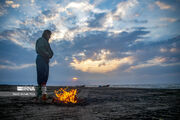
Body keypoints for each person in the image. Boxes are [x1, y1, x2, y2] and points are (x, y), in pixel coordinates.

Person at [35, 30, 53, 101]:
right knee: (41, 77)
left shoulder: (47, 42)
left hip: (45, 60)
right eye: (49, 35)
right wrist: (48, 54)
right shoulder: (41, 40)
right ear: (46, 34)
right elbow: (40, 49)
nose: (50, 36)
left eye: (50, 35)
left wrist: (49, 54)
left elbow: (51, 52)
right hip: (41, 59)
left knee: (45, 77)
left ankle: (43, 94)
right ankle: (39, 94)